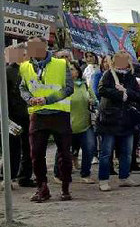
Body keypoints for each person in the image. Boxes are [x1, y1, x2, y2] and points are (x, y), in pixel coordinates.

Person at [20, 36, 75, 202]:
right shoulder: (24, 66)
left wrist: (47, 99)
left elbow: (68, 88)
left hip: (59, 114)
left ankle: (65, 186)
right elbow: (23, 87)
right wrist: (29, 98)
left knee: (65, 154)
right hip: (38, 115)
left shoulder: (61, 64)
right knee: (36, 154)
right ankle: (42, 187)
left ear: (45, 46)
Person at [96, 51, 140, 191]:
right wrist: (118, 93)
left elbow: (139, 96)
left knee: (126, 151)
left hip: (127, 120)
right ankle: (103, 179)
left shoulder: (130, 77)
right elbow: (101, 90)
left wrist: (127, 92)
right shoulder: (108, 75)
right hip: (109, 119)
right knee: (106, 152)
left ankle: (124, 176)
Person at [5, 44, 34, 187]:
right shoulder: (8, 72)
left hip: (29, 114)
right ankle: (9, 177)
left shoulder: (31, 70)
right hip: (13, 116)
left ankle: (25, 176)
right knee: (13, 147)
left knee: (29, 146)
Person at [68, 63, 98, 184]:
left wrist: (92, 101)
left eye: (73, 69)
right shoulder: (64, 85)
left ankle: (85, 173)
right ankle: (58, 173)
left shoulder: (84, 84)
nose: (71, 72)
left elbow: (95, 99)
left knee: (90, 147)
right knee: (64, 150)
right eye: (68, 70)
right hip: (68, 124)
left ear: (78, 71)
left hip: (85, 123)